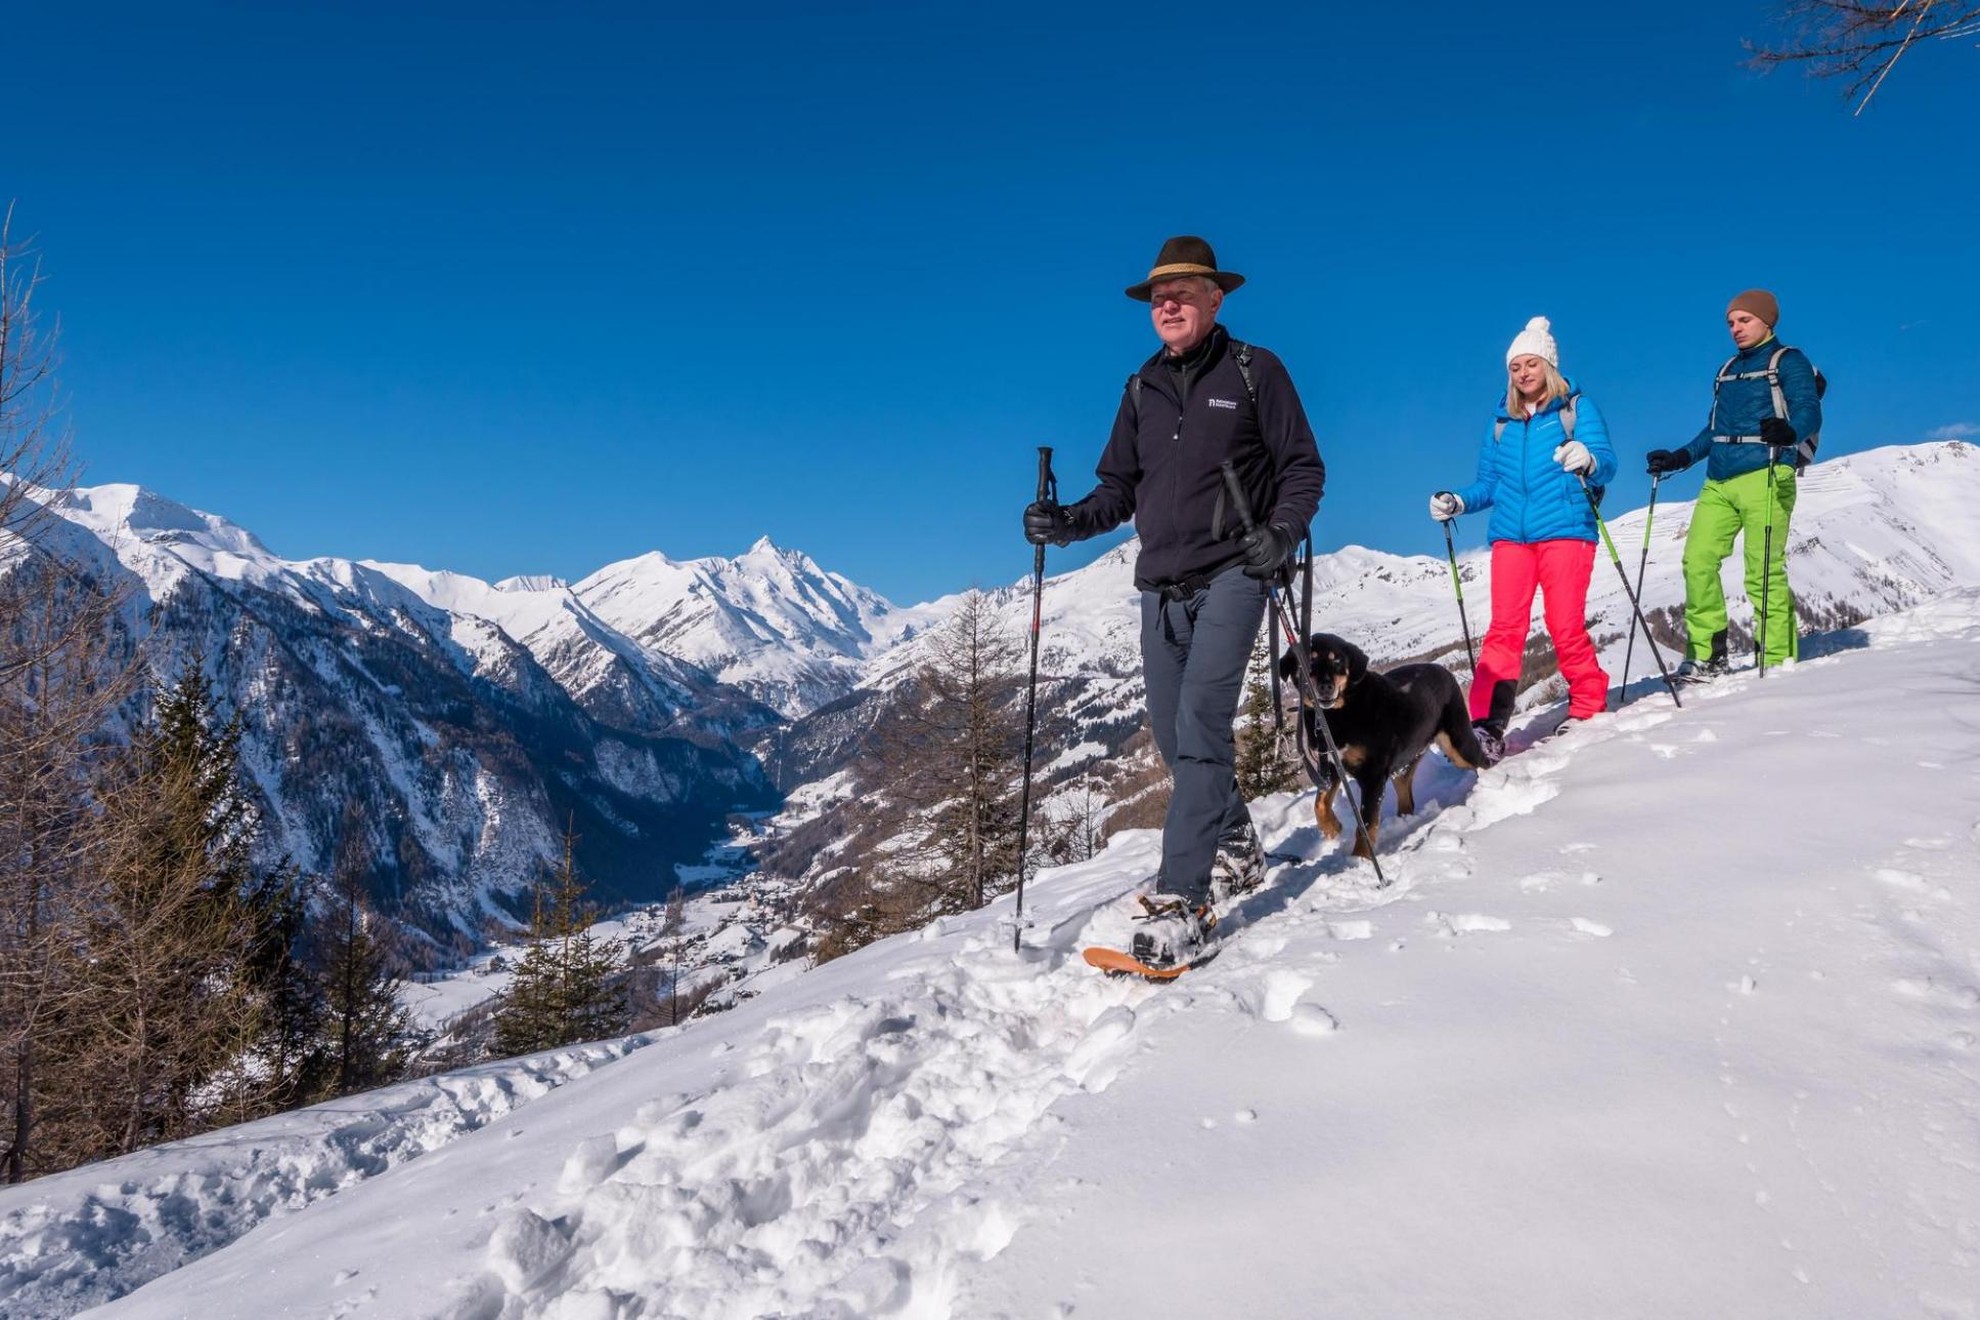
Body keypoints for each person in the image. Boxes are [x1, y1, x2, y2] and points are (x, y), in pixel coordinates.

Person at [1023, 236, 1324, 967]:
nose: (1168, 303)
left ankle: (1184, 898)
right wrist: (1067, 526)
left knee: (1200, 726)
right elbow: (1116, 489)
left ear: (1215, 300)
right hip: (1159, 586)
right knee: (1169, 732)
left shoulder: (1256, 372)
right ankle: (1236, 845)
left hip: (1234, 573)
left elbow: (1303, 468)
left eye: (1183, 292)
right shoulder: (1141, 388)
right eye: (1160, 295)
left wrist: (1281, 534)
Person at [1429, 317, 1617, 760]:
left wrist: (1587, 458)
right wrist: (1458, 501)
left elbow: (1607, 463)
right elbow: (1489, 484)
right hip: (1511, 537)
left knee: (1564, 623)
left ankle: (1589, 705)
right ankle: (1485, 727)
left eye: (1531, 364)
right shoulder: (1501, 423)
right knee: (1504, 630)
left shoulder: (1576, 409)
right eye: (1515, 367)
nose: (1523, 374)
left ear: (1548, 366)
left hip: (1566, 531)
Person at [1645, 290, 1821, 680]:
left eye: (1744, 320)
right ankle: (1707, 654)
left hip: (1768, 472)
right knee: (1697, 560)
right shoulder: (1726, 370)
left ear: (1767, 321)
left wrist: (1790, 431)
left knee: (1762, 568)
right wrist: (1680, 457)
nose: (1736, 328)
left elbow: (1809, 409)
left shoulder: (1787, 361)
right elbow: (1714, 431)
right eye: (1731, 322)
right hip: (1719, 480)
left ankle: (1776, 658)